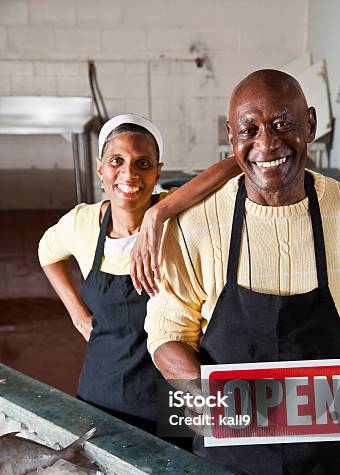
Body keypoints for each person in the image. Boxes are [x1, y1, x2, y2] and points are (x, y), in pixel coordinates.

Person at [144, 71, 340, 475]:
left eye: (283, 124)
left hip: (334, 464)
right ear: (231, 137)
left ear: (309, 124)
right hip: (232, 465)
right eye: (249, 129)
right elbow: (167, 335)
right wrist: (199, 396)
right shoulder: (194, 224)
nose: (267, 143)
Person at [38, 114, 240, 433]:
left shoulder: (182, 214)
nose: (128, 174)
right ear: (100, 168)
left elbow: (237, 162)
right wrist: (77, 313)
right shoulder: (83, 224)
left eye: (143, 163)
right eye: (116, 160)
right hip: (101, 391)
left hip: (171, 394)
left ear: (158, 171)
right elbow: (47, 252)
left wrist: (158, 213)